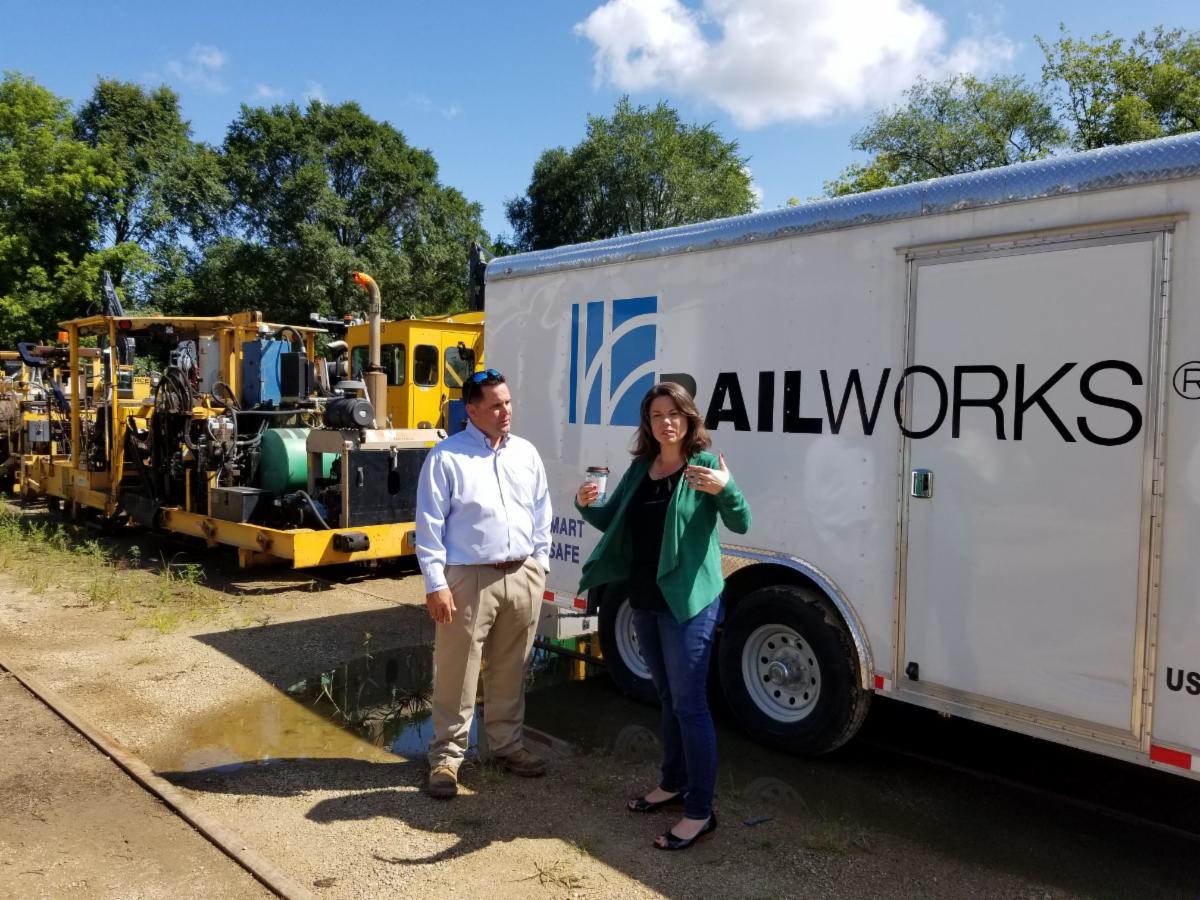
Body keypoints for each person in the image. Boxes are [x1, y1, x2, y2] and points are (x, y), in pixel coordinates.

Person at [575, 381, 751, 850]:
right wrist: (586, 504)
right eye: (656, 415)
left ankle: (700, 811)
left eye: (674, 413)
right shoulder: (641, 468)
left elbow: (742, 521)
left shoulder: (704, 466)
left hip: (689, 603)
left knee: (690, 704)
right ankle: (673, 783)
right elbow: (612, 519)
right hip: (645, 599)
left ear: (689, 418)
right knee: (668, 696)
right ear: (647, 423)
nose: (666, 422)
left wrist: (728, 488)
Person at [415, 368, 552, 799]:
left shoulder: (525, 453)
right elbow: (429, 526)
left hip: (522, 573)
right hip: (468, 578)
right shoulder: (446, 457)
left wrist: (540, 564)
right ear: (471, 411)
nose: (505, 411)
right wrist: (435, 584)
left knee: (512, 666)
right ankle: (446, 758)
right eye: (495, 405)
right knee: (458, 670)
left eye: (507, 402)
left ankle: (506, 746)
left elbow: (541, 511)